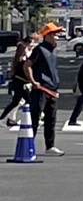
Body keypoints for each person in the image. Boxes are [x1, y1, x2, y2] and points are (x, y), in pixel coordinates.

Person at [24, 23, 65, 155]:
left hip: (53, 88)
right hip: (41, 88)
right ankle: (28, 143)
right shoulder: (40, 49)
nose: (57, 37)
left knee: (51, 119)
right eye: (54, 34)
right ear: (47, 36)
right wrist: (33, 81)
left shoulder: (54, 49)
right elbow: (27, 65)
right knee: (35, 117)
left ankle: (50, 146)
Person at [2, 38, 33, 126]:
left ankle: (5, 119)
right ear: (23, 50)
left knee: (15, 102)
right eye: (26, 48)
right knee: (30, 101)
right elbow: (25, 72)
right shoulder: (22, 61)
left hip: (18, 84)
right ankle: (39, 117)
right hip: (21, 84)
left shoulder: (18, 60)